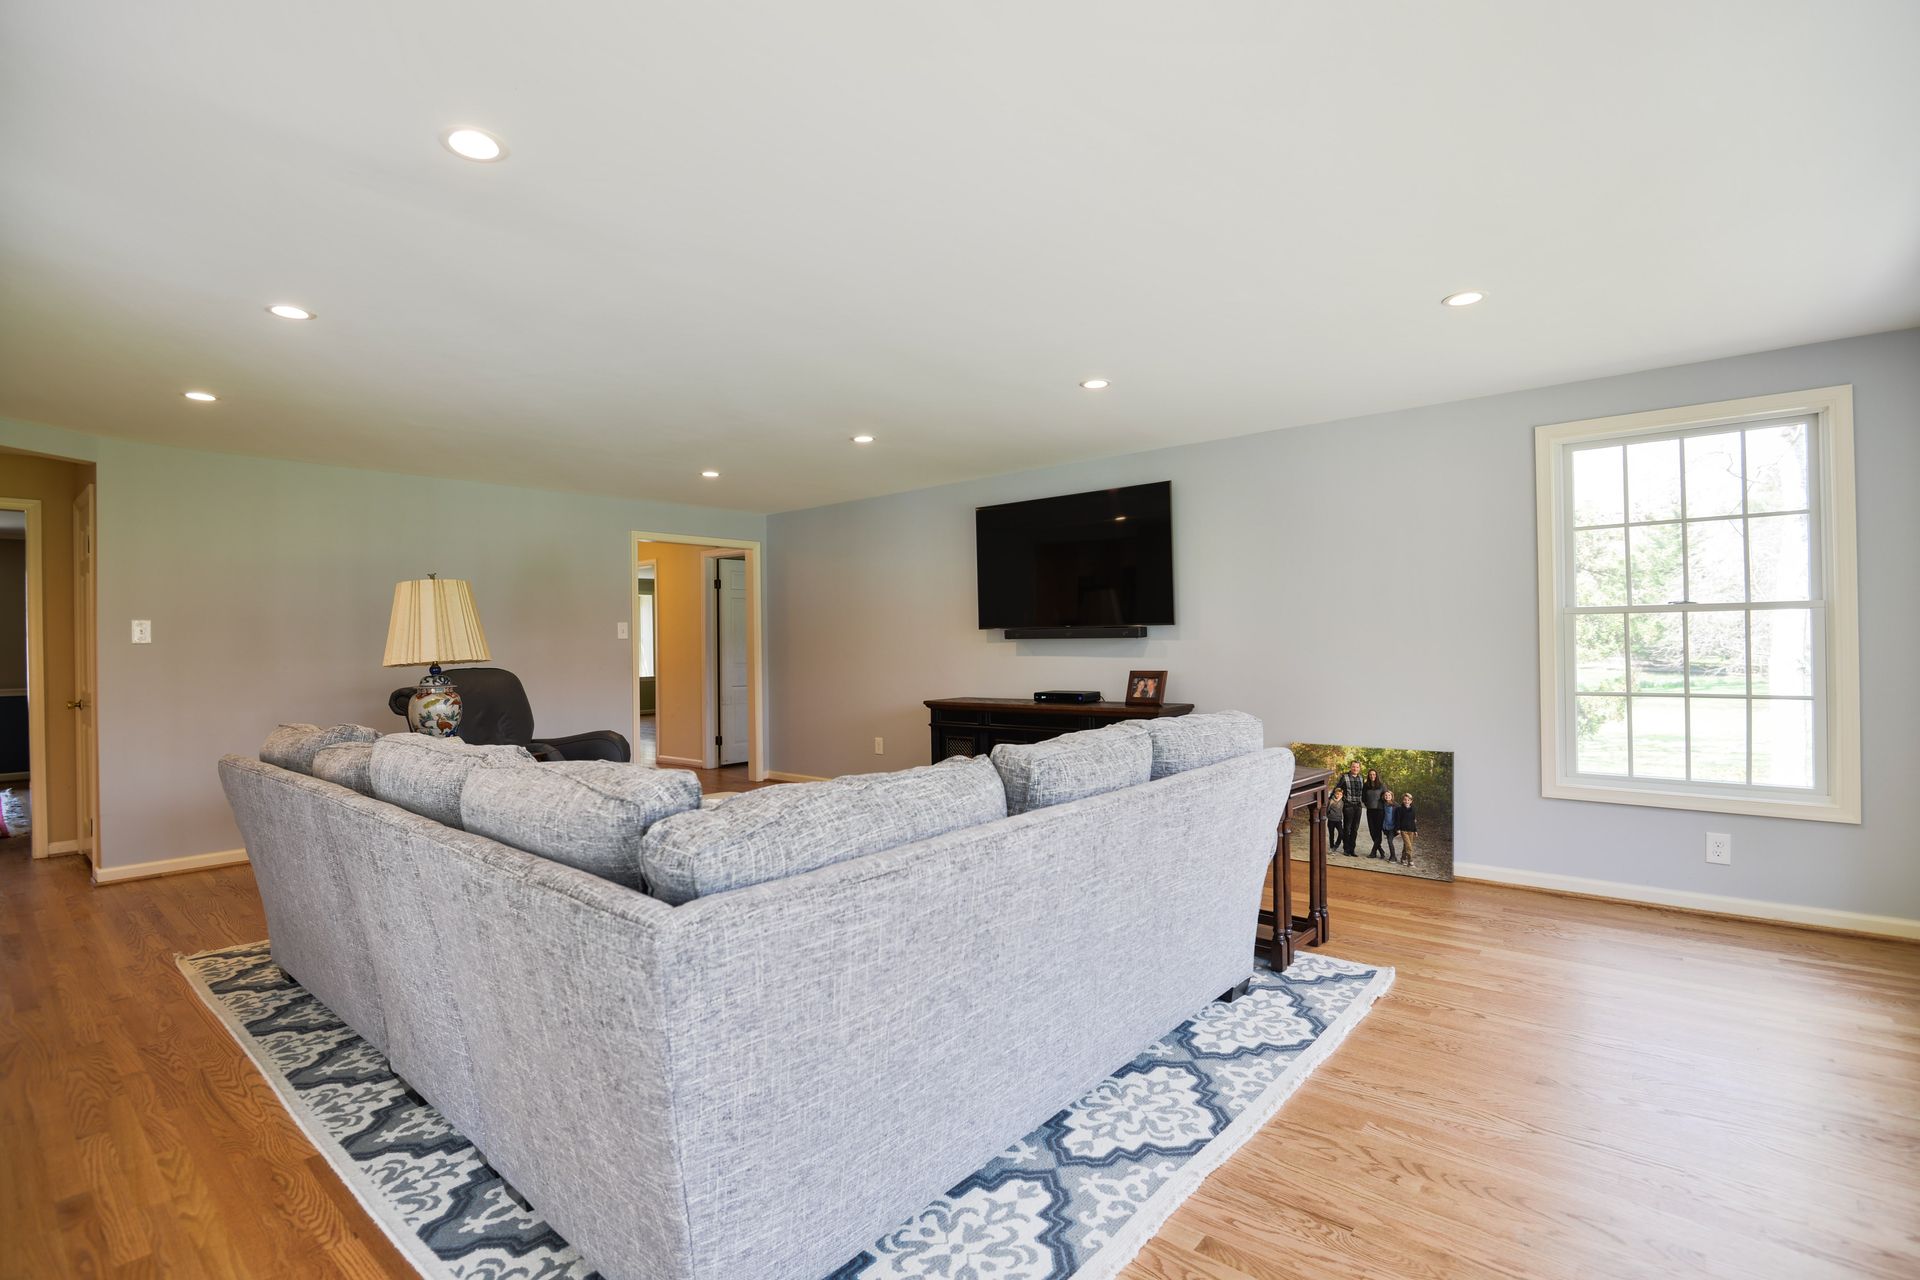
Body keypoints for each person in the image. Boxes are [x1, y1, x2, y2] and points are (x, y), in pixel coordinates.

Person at [1340, 761, 1364, 856]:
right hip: (1348, 806)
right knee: (1347, 828)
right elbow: (1337, 789)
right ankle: (1346, 848)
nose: (1355, 769)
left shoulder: (1361, 778)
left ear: (1359, 768)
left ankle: (1352, 849)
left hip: (1358, 806)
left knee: (1355, 829)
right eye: (1353, 767)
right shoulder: (1344, 777)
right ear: (1350, 767)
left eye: (1357, 767)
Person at [1361, 767, 1387, 856]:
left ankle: (1373, 852)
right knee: (1372, 831)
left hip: (1379, 811)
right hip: (1370, 811)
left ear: (1376, 775)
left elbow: (1387, 796)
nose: (1372, 776)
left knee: (1378, 831)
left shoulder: (1381, 785)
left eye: (1374, 774)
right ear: (1368, 776)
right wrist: (1367, 804)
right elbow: (1363, 797)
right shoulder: (1366, 785)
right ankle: (1380, 850)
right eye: (1370, 774)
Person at [1395, 792, 1417, 865]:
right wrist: (1398, 829)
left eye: (1408, 800)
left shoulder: (1413, 809)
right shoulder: (1400, 809)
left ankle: (1403, 858)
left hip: (1411, 831)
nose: (1406, 801)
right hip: (1403, 830)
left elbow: (1414, 820)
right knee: (1409, 846)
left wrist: (1415, 830)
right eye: (1405, 800)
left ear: (1411, 801)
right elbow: (1397, 819)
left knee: (1406, 845)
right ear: (1403, 800)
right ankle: (1410, 860)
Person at [1379, 790, 1397, 859]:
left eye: (1389, 795)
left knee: (1390, 841)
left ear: (1392, 796)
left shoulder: (1395, 805)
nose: (1387, 797)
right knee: (1389, 841)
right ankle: (1392, 856)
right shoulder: (1383, 804)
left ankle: (1393, 856)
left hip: (1393, 827)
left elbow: (1400, 815)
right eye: (1386, 795)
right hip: (1385, 826)